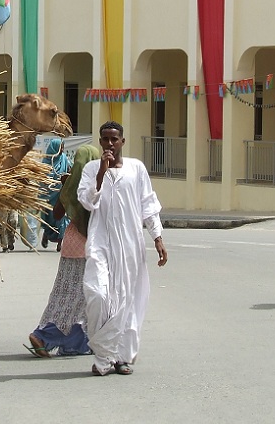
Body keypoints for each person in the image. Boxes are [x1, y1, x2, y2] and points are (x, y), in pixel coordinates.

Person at [78, 121, 168, 376]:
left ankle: (118, 359)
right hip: (100, 241)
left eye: (114, 139)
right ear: (100, 141)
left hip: (130, 244)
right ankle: (104, 354)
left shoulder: (136, 168)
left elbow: (148, 204)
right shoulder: (91, 168)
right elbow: (86, 201)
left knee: (127, 300)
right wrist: (101, 174)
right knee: (97, 293)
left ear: (122, 142)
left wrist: (157, 238)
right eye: (105, 139)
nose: (109, 144)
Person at [26, 144, 100, 358]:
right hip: (89, 246)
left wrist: (65, 188)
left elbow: (57, 214)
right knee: (82, 297)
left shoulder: (70, 184)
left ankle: (76, 342)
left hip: (70, 243)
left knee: (66, 294)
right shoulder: (97, 184)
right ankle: (44, 335)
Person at [39, 137, 71, 251]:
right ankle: (47, 234)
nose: (62, 149)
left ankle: (60, 242)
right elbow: (42, 180)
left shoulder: (64, 159)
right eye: (60, 147)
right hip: (48, 196)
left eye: (63, 147)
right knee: (49, 218)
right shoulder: (46, 162)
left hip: (60, 195)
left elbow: (69, 169)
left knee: (62, 218)